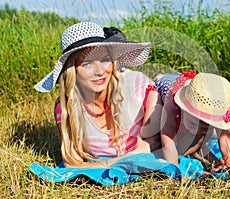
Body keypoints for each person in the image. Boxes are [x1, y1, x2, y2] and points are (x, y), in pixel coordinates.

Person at [34, 22, 162, 168]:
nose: (100, 71)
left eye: (105, 60)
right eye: (87, 64)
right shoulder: (66, 108)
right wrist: (130, 157)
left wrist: (102, 164)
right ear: (72, 70)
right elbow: (72, 164)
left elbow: (153, 145)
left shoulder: (137, 87)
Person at [155, 70, 230, 171]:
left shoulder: (216, 105)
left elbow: (226, 138)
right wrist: (175, 169)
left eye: (207, 126)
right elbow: (167, 138)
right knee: (156, 140)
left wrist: (229, 160)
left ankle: (203, 155)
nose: (200, 129)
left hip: (198, 95)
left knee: (195, 140)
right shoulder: (171, 106)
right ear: (184, 109)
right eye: (194, 123)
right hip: (163, 88)